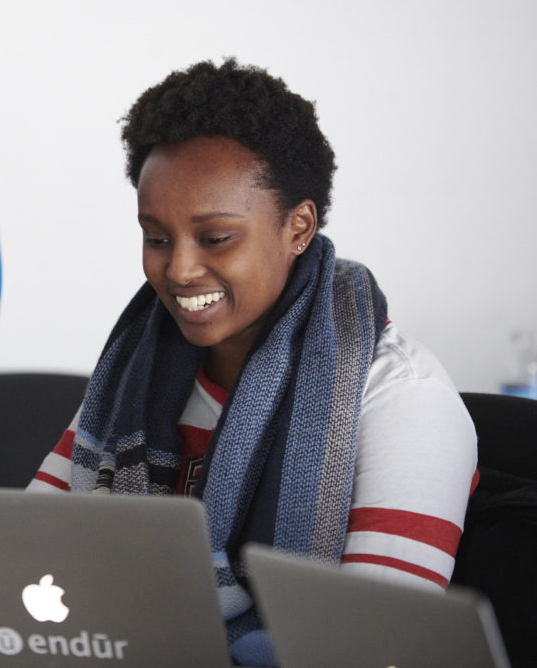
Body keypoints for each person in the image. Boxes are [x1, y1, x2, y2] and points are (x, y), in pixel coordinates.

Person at [28, 59, 476, 665]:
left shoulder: (405, 402)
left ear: (298, 227)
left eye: (215, 238)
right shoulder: (134, 373)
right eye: (156, 237)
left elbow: (375, 646)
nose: (179, 269)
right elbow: (25, 550)